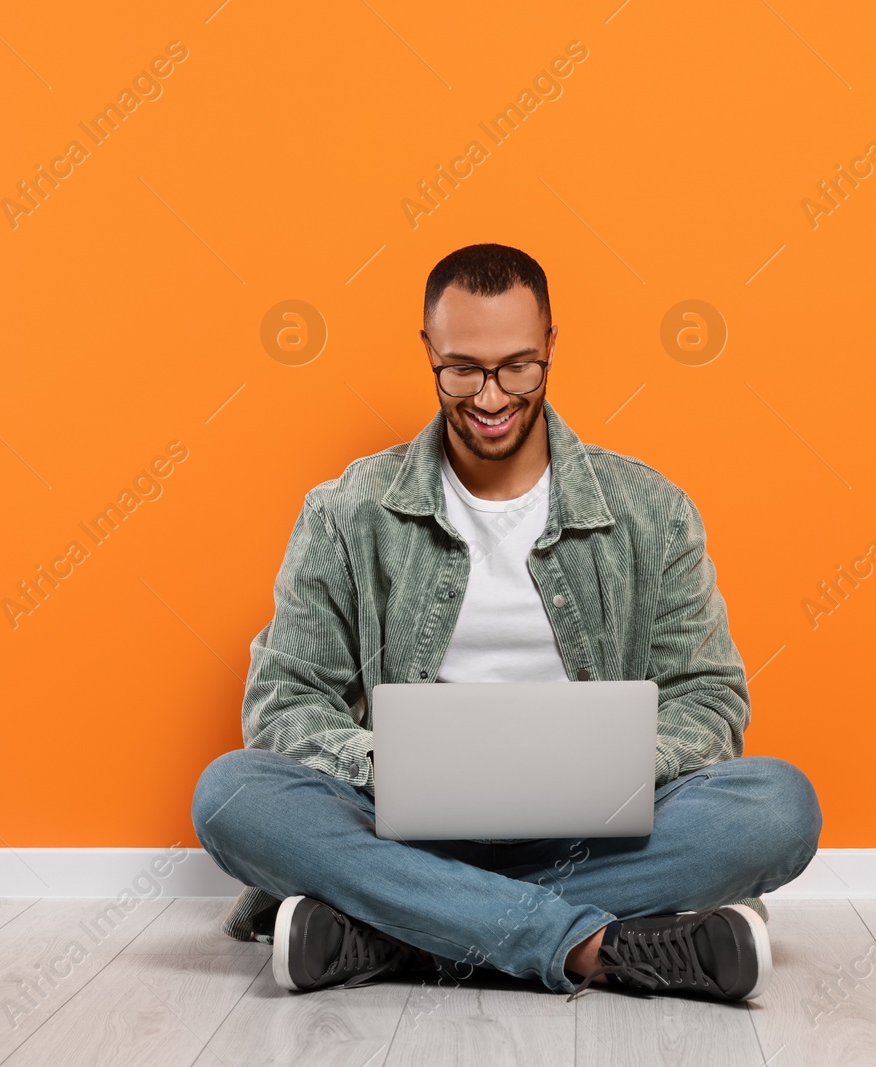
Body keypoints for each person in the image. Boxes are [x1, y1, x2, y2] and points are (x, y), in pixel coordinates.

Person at [192, 243, 821, 1002]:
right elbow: (283, 701)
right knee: (230, 794)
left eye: (518, 366)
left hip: (590, 833)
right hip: (406, 829)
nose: (491, 396)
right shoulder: (346, 510)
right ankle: (592, 943)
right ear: (428, 352)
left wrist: (615, 765)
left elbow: (710, 700)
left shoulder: (651, 511)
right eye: (463, 369)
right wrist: (385, 765)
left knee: (778, 807)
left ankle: (402, 928)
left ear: (552, 345)